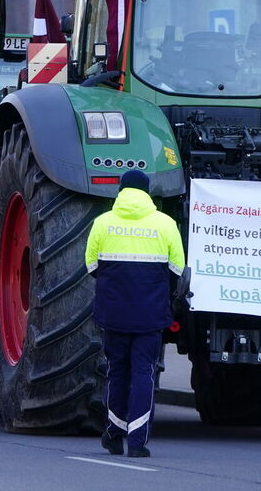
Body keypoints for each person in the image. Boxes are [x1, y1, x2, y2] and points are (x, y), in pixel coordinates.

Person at [85, 169, 185, 458]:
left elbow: (91, 266)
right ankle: (138, 442)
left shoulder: (102, 223)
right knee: (144, 373)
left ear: (121, 190)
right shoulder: (166, 224)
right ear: (146, 192)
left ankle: (114, 435)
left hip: (113, 313)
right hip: (150, 315)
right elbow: (177, 270)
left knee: (116, 371)